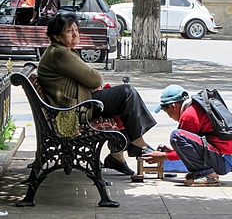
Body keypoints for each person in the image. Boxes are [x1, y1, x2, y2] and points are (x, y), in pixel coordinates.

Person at [37, 12, 156, 175]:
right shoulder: (60, 53)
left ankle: (117, 157)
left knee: (120, 99)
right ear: (56, 36)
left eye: (76, 30)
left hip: (76, 104)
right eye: (69, 31)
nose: (75, 34)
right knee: (127, 93)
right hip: (74, 110)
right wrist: (94, 82)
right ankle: (137, 144)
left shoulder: (60, 50)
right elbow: (94, 79)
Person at [142, 84, 232, 186]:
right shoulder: (197, 107)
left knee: (176, 136)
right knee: (178, 139)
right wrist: (172, 150)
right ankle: (205, 173)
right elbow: (192, 148)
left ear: (173, 106)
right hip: (227, 159)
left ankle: (210, 176)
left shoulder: (189, 115)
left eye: (166, 111)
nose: (169, 116)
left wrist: (163, 156)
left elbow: (184, 146)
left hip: (223, 161)